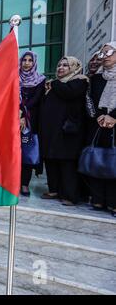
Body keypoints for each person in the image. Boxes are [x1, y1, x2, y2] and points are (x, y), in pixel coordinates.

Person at [40, 56, 89, 206]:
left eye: (66, 65)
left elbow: (69, 93)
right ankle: (54, 189)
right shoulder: (54, 85)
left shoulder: (79, 81)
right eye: (59, 65)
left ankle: (69, 195)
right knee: (51, 160)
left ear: (74, 67)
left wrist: (54, 83)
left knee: (66, 163)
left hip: (67, 131)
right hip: (51, 131)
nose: (61, 68)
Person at [87, 42, 116, 216]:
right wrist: (100, 115)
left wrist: (114, 116)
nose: (105, 57)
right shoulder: (97, 78)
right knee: (100, 160)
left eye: (109, 53)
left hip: (114, 123)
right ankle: (98, 199)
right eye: (102, 53)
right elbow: (92, 99)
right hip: (100, 124)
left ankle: (113, 202)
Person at [19, 51, 46, 197]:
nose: (27, 63)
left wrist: (23, 115)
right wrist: (17, 114)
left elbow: (36, 99)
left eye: (30, 60)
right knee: (13, 153)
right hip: (13, 120)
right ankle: (12, 182)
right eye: (24, 60)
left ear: (34, 62)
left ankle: (24, 184)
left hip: (31, 121)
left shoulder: (40, 79)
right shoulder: (13, 77)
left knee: (27, 153)